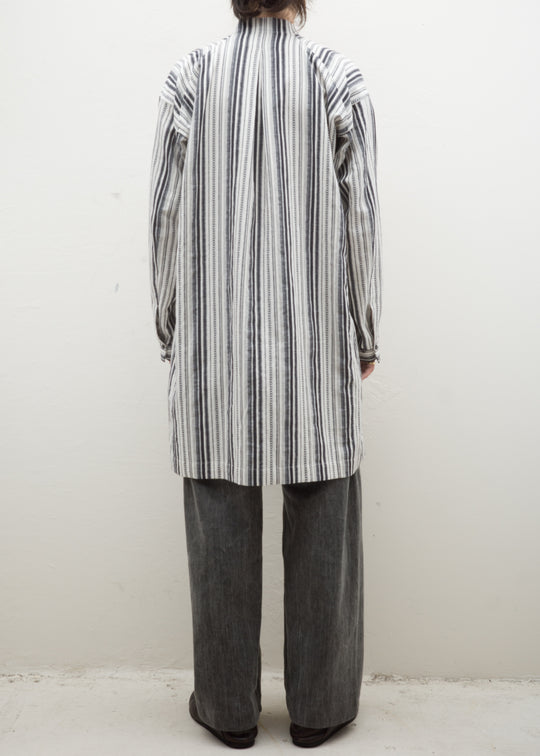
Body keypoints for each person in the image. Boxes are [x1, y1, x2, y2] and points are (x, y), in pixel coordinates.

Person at [148, 0, 382, 748]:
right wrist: (365, 328)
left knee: (218, 516)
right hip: (313, 341)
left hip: (214, 343)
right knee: (325, 511)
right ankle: (319, 710)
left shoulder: (192, 77)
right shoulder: (335, 78)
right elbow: (361, 216)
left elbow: (164, 214)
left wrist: (171, 322)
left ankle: (227, 711)